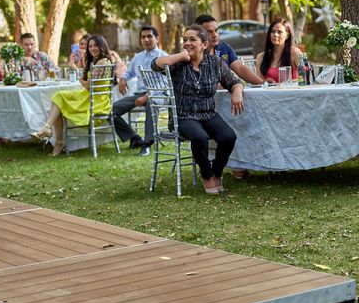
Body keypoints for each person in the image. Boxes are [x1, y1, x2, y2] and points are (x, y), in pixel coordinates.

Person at [152, 25, 244, 195]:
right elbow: (155, 65)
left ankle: (216, 171)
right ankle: (207, 175)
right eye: (185, 40)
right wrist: (181, 56)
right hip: (183, 116)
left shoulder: (215, 63)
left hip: (207, 114)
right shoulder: (178, 64)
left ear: (204, 44)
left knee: (228, 137)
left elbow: (234, 81)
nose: (187, 43)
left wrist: (237, 92)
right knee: (199, 137)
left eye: (192, 39)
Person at [30, 35, 112, 156]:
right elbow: (89, 82)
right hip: (91, 97)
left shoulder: (102, 62)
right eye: (90, 46)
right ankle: (52, 135)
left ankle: (52, 134)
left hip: (96, 101)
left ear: (102, 46)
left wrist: (81, 81)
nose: (92, 48)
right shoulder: (100, 61)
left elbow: (89, 86)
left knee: (59, 98)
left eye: (95, 45)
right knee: (59, 99)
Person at [112, 26, 167, 156]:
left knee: (150, 103)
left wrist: (148, 96)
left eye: (149, 36)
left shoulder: (164, 57)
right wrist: (123, 79)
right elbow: (129, 72)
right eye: (143, 37)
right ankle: (135, 138)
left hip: (160, 95)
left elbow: (164, 83)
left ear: (157, 38)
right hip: (140, 94)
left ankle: (147, 144)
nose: (146, 39)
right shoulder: (138, 57)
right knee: (112, 110)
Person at [195, 14, 265, 85]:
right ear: (199, 34)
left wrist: (263, 83)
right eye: (209, 32)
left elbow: (240, 68)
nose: (215, 35)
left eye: (216, 30)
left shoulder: (224, 48)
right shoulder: (193, 52)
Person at [255, 18, 301, 83]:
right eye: (272, 31)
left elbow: (306, 77)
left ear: (287, 35)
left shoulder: (295, 53)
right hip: (269, 93)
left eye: (279, 32)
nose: (275, 34)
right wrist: (265, 82)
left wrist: (280, 84)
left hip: (291, 92)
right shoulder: (261, 57)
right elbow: (258, 84)